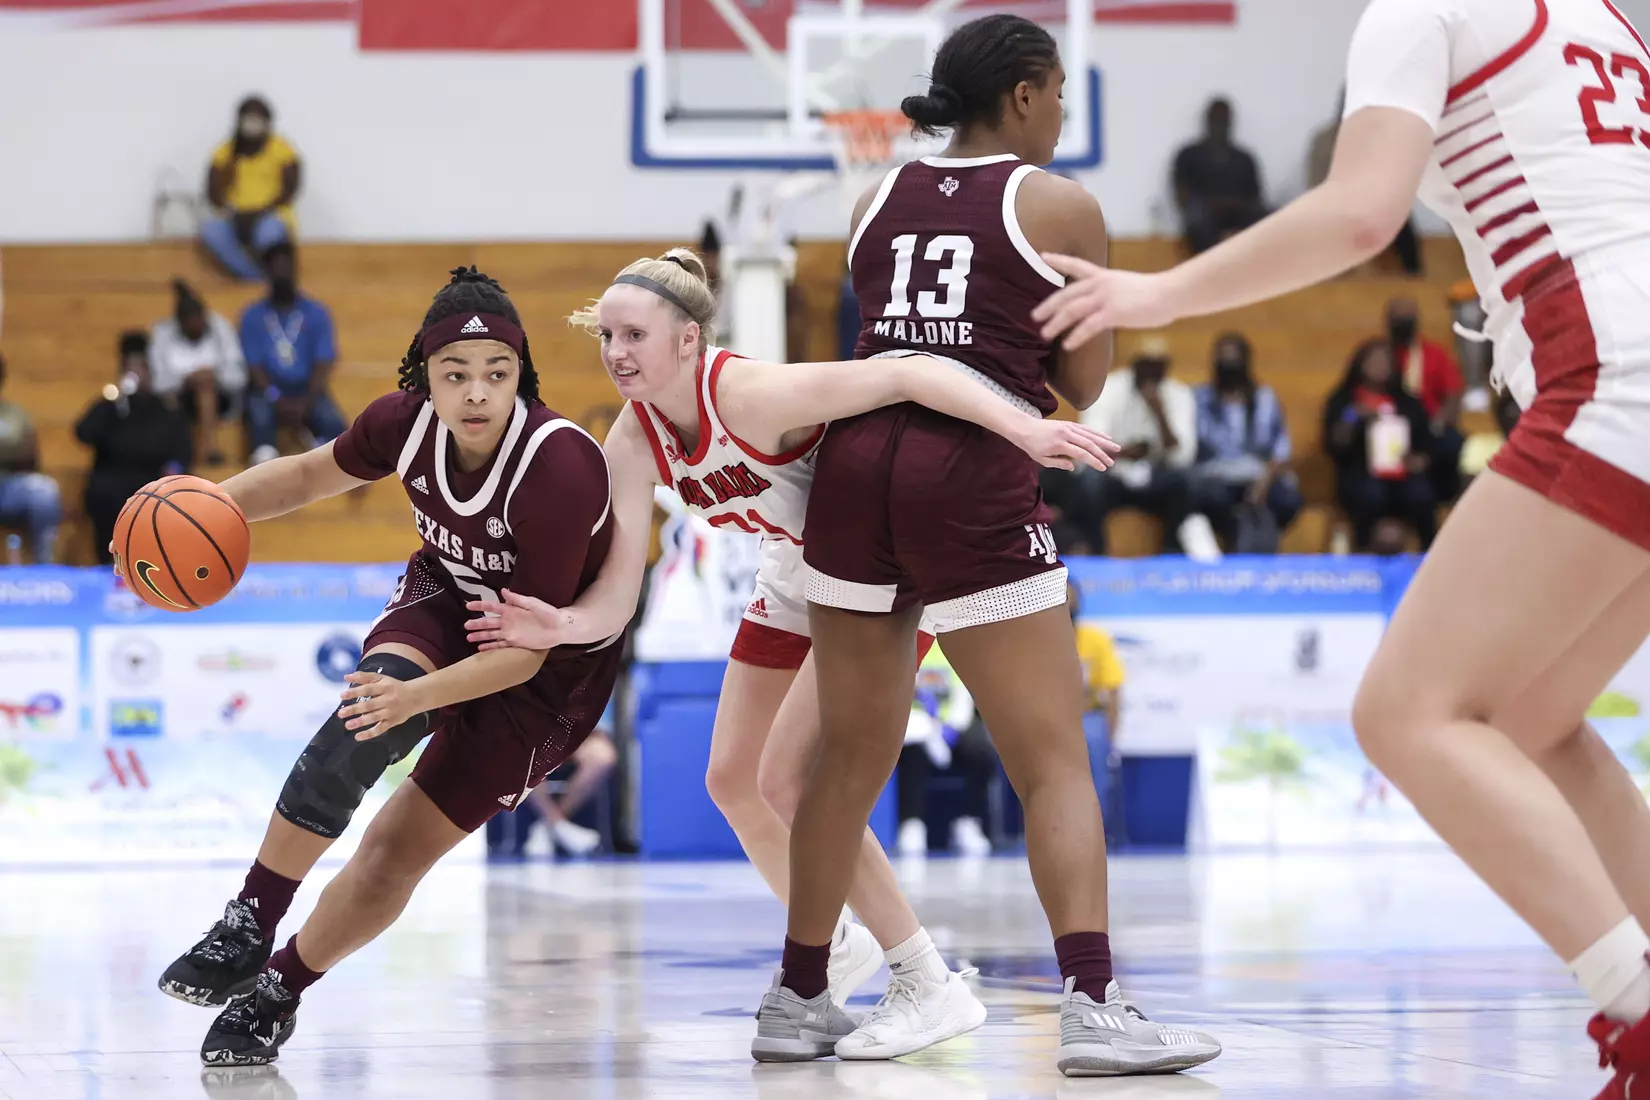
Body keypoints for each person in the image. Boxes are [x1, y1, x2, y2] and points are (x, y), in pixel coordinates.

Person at [1033, 1, 1650, 1093]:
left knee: (1404, 713)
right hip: (1617, 352)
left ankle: (1638, 1013)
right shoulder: (1605, 20)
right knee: (1535, 720)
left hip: (1613, 367)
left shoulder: (1420, 11)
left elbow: (1362, 216)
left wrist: (1157, 290)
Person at [463, 247, 1116, 1058]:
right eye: (607, 336)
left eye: (634, 335)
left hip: (874, 563)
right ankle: (836, 945)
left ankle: (926, 979)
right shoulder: (631, 439)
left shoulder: (751, 393)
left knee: (788, 777)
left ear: (690, 339)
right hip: (794, 568)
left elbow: (907, 372)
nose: (617, 352)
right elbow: (620, 594)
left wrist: (1025, 428)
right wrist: (558, 624)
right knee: (732, 778)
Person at [767, 13, 1221, 1077]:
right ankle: (1095, 1004)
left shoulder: (874, 195)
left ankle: (795, 998)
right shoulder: (1060, 203)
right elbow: (1087, 383)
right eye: (1057, 92)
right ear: (1021, 94)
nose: (1063, 111)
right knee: (1052, 759)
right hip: (969, 467)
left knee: (848, 755)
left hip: (855, 465)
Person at [155, 268, 623, 1069]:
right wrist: (196, 507)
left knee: (392, 852)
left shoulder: (560, 467)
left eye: (497, 374)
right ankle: (249, 919)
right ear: (423, 376)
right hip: (448, 597)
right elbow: (308, 474)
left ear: (522, 374)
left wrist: (421, 698)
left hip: (546, 670)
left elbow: (525, 652)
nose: (477, 393)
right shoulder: (401, 424)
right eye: (455, 374)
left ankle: (278, 990)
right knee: (361, 722)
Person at [1083, 341, 1221, 560]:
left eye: (1157, 366)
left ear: (1165, 368)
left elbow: (1183, 456)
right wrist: (1126, 452)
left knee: (1186, 481)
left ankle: (1172, 552)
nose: (1150, 372)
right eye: (1145, 365)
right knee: (1089, 479)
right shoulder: (1109, 388)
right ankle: (1096, 550)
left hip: (1156, 475)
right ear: (1134, 366)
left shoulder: (1178, 394)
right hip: (1115, 474)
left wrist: (1160, 413)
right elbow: (1090, 445)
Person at [76, 332, 193, 564]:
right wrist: (113, 402)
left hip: (152, 481)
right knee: (101, 491)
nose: (137, 374)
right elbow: (83, 434)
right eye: (130, 369)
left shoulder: (166, 410)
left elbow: (183, 450)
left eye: (142, 368)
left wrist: (174, 470)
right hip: (113, 478)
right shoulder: (111, 406)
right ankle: (109, 561)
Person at [1322, 339, 1437, 553]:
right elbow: (1333, 444)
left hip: (1403, 475)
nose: (1379, 366)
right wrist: (1354, 417)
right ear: (1360, 364)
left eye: (1385, 361)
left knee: (1421, 493)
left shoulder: (1408, 402)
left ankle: (1429, 551)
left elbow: (1427, 445)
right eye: (1373, 361)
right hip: (1360, 473)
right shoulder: (1344, 400)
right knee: (1370, 494)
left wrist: (1418, 460)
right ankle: (1364, 549)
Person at [1190, 333, 1301, 552]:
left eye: (1234, 359)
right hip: (1215, 476)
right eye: (1224, 359)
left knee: (1287, 499)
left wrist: (1263, 483)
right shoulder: (1199, 398)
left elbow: (1281, 449)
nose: (1229, 366)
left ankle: (1260, 547)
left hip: (1260, 476)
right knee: (1214, 499)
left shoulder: (1265, 398)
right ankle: (1236, 542)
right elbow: (1193, 446)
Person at [241, 243, 346, 464]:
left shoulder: (316, 312)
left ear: (295, 270)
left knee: (333, 421)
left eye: (286, 267)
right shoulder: (252, 315)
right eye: (275, 268)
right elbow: (254, 367)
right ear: (267, 273)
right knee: (258, 411)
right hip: (269, 390)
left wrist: (306, 401)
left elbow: (323, 362)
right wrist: (276, 398)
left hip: (308, 389)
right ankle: (264, 457)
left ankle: (338, 461)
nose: (282, 274)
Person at [896, 643, 997, 858]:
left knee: (982, 751)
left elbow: (963, 693)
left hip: (952, 727)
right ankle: (912, 823)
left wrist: (949, 729)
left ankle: (969, 820)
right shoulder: (906, 646)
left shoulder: (953, 644)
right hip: (915, 725)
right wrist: (928, 728)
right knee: (911, 753)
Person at [1309, 89, 1422, 275]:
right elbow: (1317, 183)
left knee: (1402, 221)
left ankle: (1415, 277)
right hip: (1333, 207)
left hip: (1371, 205)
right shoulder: (1325, 141)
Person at [202, 96, 300, 282]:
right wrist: (232, 213)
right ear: (239, 120)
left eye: (258, 119)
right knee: (211, 230)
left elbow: (290, 188)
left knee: (268, 234)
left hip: (270, 215)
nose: (252, 125)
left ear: (268, 122)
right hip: (235, 217)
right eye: (248, 118)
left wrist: (259, 213)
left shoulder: (281, 148)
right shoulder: (225, 151)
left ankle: (277, 279)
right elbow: (212, 192)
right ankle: (254, 278)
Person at [149, 280, 246, 465]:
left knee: (205, 389)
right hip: (177, 398)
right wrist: (186, 381)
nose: (194, 326)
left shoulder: (220, 329)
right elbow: (158, 383)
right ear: (179, 322)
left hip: (220, 398)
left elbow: (238, 377)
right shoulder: (163, 333)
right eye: (188, 322)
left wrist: (214, 375)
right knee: (175, 401)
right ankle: (183, 456)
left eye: (198, 320)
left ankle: (208, 450)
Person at [1384, 296, 1466, 501]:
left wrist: (1440, 421)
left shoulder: (1434, 354)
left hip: (1430, 425)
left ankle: (1444, 498)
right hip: (1389, 424)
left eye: (1407, 318)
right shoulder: (1381, 355)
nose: (1403, 323)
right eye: (1397, 318)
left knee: (1451, 441)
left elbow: (1453, 391)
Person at [522, 703, 619, 856]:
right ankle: (558, 826)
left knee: (602, 757)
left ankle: (550, 825)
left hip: (585, 735)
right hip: (538, 734)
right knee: (523, 755)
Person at [1173, 97, 1266, 255]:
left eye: (1224, 120)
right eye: (1216, 119)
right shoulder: (1188, 155)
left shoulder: (1244, 159)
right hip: (1206, 216)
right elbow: (1182, 197)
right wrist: (1216, 205)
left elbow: (1256, 197)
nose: (1220, 124)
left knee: (1270, 217)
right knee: (1197, 218)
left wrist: (1232, 206)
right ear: (1207, 120)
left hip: (1239, 214)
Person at [0, 352, 61, 564]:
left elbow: (29, 455)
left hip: (9, 485)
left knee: (45, 491)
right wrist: (9, 450)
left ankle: (44, 567)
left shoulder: (15, 415)